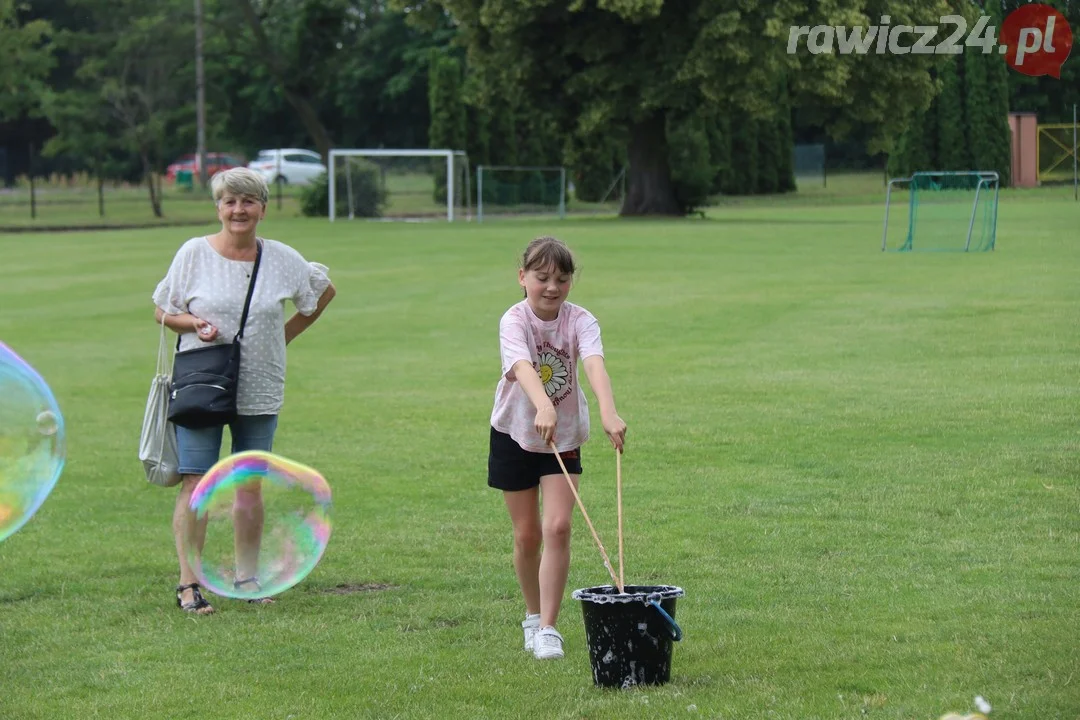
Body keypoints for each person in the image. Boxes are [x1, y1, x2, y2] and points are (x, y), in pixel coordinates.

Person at [152, 167, 336, 614]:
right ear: (218, 207)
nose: (239, 209)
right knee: (196, 480)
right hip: (203, 384)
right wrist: (193, 323)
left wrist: (282, 337)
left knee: (249, 484)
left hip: (260, 385)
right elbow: (162, 309)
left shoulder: (282, 258)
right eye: (230, 201)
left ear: (262, 209)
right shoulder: (194, 253)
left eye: (248, 201)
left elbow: (322, 293)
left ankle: (247, 578)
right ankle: (188, 583)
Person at [488, 236, 627, 659]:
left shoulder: (581, 320)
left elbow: (593, 363)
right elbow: (522, 367)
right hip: (514, 432)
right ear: (522, 277)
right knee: (528, 535)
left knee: (559, 527)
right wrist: (543, 404)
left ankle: (548, 627)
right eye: (542, 277)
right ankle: (531, 616)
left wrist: (608, 411)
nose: (552, 287)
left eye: (561, 279)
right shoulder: (513, 320)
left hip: (563, 437)